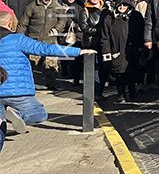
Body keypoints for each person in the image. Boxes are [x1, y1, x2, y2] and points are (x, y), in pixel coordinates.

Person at [0, 11, 92, 145]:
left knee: (0, 126)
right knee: (38, 114)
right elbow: (45, 49)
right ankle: (17, 116)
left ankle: (4, 121)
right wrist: (78, 51)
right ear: (10, 24)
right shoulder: (17, 40)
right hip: (17, 91)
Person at [18, 0, 71, 90]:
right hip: (34, 40)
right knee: (32, 65)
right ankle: (29, 85)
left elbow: (63, 21)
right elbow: (23, 23)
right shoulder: (32, 6)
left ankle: (51, 84)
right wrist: (19, 38)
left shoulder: (57, 7)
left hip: (50, 40)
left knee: (51, 65)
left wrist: (57, 29)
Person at [99, 0, 137, 103]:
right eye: (120, 5)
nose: (122, 7)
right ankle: (121, 93)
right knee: (117, 73)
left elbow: (140, 32)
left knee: (131, 71)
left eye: (125, 5)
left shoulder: (135, 16)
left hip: (131, 49)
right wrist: (106, 53)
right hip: (115, 48)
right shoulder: (109, 18)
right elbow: (105, 37)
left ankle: (132, 90)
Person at [79, 0, 109, 95]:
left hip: (105, 42)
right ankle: (95, 93)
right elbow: (84, 28)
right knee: (94, 69)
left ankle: (100, 90)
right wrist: (101, 30)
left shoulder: (106, 9)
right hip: (92, 43)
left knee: (104, 67)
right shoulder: (85, 10)